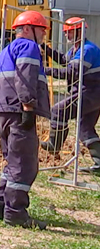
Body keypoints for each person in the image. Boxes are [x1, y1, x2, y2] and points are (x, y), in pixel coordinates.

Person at [0, 11, 50, 229]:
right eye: (41, 29)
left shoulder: (6, 51)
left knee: (13, 160)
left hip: (0, 109)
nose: (43, 34)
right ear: (28, 29)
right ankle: (16, 212)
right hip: (16, 109)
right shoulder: (29, 47)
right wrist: (28, 107)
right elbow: (26, 77)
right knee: (25, 163)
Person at [41, 17, 100, 176]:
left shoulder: (87, 50)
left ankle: (54, 144)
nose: (67, 35)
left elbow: (72, 72)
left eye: (70, 32)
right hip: (91, 94)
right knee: (85, 129)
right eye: (66, 32)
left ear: (80, 31)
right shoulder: (76, 49)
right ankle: (99, 164)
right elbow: (63, 60)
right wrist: (45, 49)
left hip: (89, 93)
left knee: (58, 111)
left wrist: (45, 71)